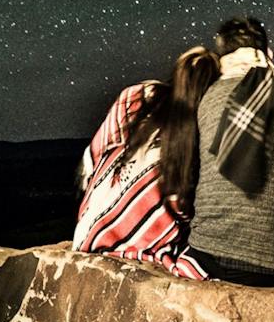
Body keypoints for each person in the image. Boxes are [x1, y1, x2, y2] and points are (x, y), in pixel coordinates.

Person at [191, 17, 274, 288]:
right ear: (268, 54)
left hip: (202, 252)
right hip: (268, 265)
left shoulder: (206, 98)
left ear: (222, 58)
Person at [72, 46, 220, 278]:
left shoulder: (137, 95)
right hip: (145, 247)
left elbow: (91, 160)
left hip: (88, 234)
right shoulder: (204, 127)